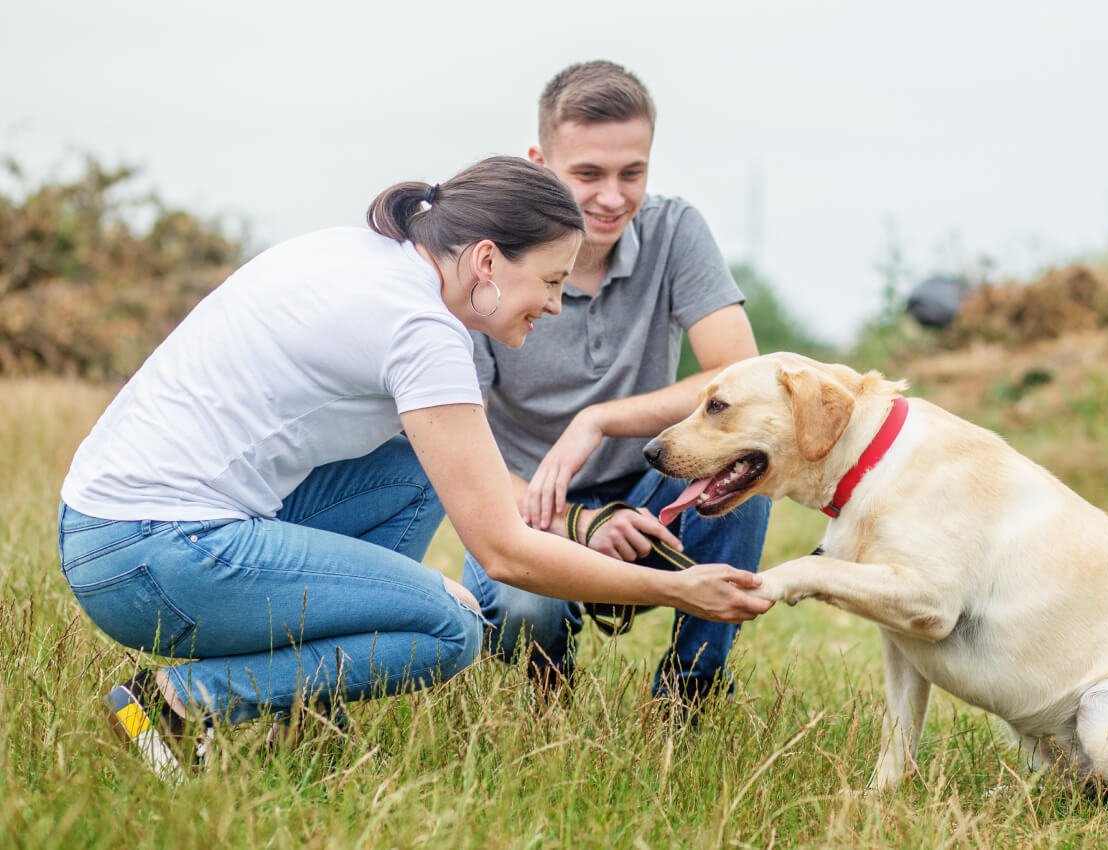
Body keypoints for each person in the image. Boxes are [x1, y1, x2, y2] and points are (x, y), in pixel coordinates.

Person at [58, 156, 771, 778]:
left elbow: (469, 482)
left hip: (112, 532)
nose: (556, 304)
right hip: (157, 559)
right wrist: (679, 592)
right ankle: (180, 705)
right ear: (487, 261)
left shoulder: (368, 255)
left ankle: (305, 713)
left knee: (414, 464)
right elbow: (505, 553)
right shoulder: (423, 330)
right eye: (551, 281)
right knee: (448, 629)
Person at [462, 61, 772, 710]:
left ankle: (690, 693)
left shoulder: (673, 230)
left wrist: (597, 419)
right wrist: (580, 520)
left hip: (651, 487)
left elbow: (740, 377)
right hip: (532, 509)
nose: (613, 197)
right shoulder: (489, 265)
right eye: (587, 174)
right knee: (523, 609)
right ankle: (543, 694)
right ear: (540, 162)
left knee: (746, 468)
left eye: (632, 173)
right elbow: (468, 460)